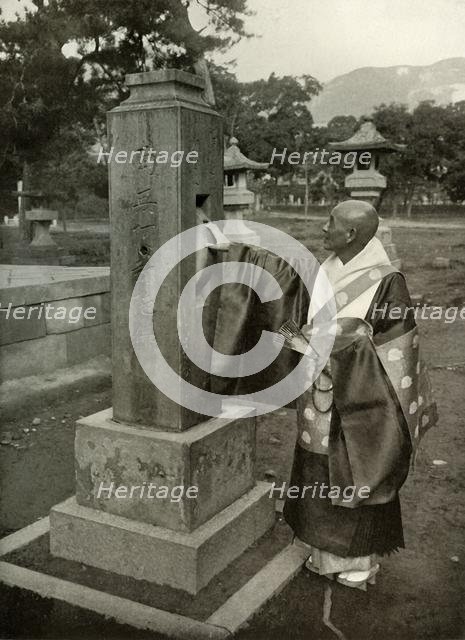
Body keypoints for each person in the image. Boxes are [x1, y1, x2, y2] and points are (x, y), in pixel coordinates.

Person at [283, 200, 437, 590]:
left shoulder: (388, 281)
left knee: (356, 471)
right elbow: (308, 320)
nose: (322, 229)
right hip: (321, 391)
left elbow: (397, 348)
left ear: (351, 234)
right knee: (317, 466)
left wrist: (335, 348)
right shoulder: (326, 269)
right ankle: (322, 554)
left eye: (330, 222)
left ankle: (358, 564)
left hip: (363, 399)